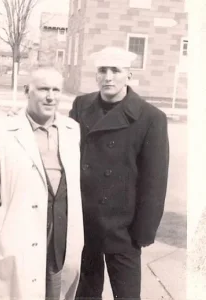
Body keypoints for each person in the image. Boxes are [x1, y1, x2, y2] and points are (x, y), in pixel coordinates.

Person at [0, 66, 84, 300]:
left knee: (57, 293)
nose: (50, 96)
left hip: (60, 239)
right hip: (18, 238)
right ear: (26, 90)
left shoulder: (73, 130)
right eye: (43, 89)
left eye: (56, 90)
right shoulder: (0, 131)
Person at [69, 47, 170, 300]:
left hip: (123, 228)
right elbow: (67, 152)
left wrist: (143, 232)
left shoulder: (151, 117)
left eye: (116, 70)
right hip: (86, 222)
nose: (108, 77)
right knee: (85, 293)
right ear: (96, 75)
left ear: (129, 75)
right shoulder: (82, 105)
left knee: (126, 295)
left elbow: (154, 181)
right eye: (103, 70)